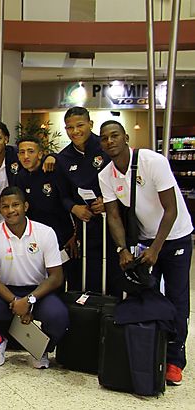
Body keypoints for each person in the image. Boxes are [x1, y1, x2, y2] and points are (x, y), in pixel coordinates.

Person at [98, 120, 193, 386]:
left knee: (176, 298)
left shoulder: (153, 161)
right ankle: (151, 349)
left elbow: (171, 210)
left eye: (115, 136)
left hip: (175, 237)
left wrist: (156, 248)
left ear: (126, 137)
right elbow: (113, 216)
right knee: (148, 296)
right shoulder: (106, 175)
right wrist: (122, 249)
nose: (110, 142)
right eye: (104, 139)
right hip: (145, 240)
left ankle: (175, 360)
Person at [0, 186, 69, 368]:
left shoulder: (45, 233)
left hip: (39, 292)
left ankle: (41, 349)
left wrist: (29, 300)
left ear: (26, 206)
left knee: (59, 316)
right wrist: (16, 302)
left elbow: (56, 277)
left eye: (16, 205)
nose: (10, 210)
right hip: (5, 292)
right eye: (5, 206)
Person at [55, 107, 122, 295]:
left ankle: (113, 314)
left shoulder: (106, 148)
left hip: (112, 223)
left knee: (113, 272)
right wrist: (74, 207)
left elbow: (122, 182)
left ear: (90, 124)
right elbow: (63, 196)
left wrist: (109, 202)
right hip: (84, 226)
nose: (75, 131)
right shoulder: (64, 158)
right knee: (86, 273)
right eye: (69, 128)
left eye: (80, 125)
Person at [14, 135, 78, 286]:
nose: (26, 156)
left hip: (62, 237)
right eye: (22, 152)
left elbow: (69, 200)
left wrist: (75, 234)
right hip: (35, 241)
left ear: (40, 154)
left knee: (65, 280)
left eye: (30, 151)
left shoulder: (53, 171)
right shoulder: (20, 177)